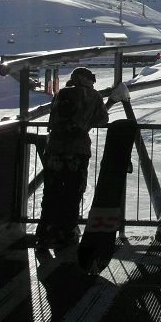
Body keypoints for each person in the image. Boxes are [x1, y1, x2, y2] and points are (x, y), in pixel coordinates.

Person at [35, 67, 127, 249]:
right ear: (87, 79)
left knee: (51, 192)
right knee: (72, 192)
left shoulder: (61, 94)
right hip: (77, 151)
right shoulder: (92, 96)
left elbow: (53, 119)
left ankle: (45, 235)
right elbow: (102, 119)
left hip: (54, 149)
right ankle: (66, 234)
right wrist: (108, 103)